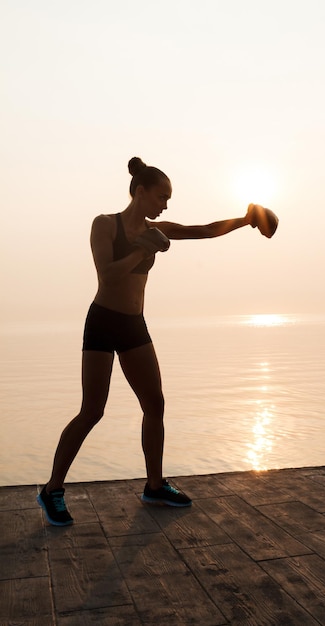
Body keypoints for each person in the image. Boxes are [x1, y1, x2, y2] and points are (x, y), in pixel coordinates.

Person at [37, 156, 269, 526]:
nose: (165, 205)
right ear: (140, 192)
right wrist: (144, 249)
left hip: (134, 325)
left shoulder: (156, 228)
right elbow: (107, 277)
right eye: (162, 197)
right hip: (102, 321)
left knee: (155, 404)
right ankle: (52, 490)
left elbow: (204, 230)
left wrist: (247, 219)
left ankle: (155, 485)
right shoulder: (104, 224)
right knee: (92, 410)